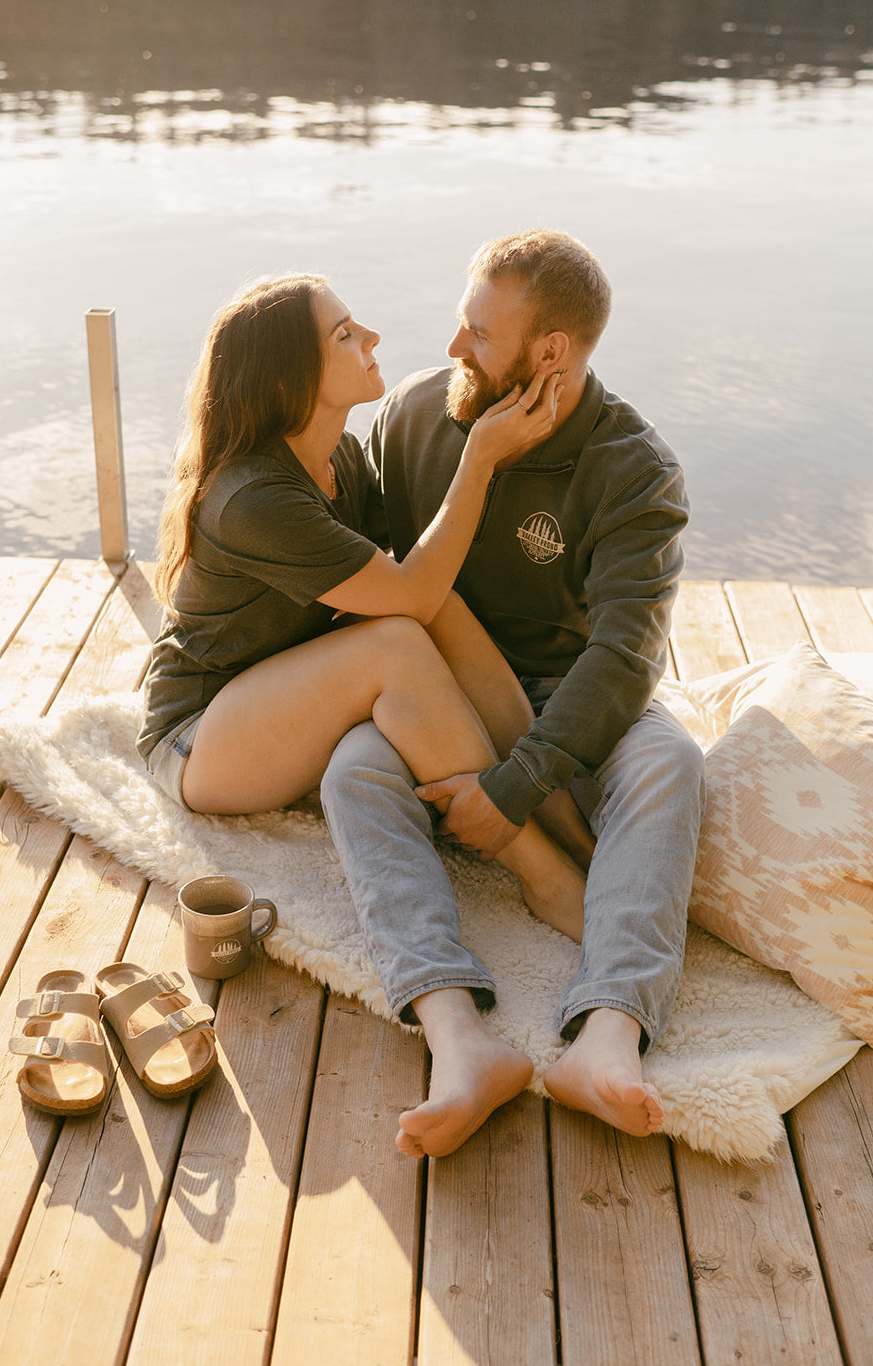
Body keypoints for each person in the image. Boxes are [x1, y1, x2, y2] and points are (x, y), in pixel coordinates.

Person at [319, 230, 707, 1159]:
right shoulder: (415, 414)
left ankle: (607, 1035)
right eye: (461, 324)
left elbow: (622, 661)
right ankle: (459, 1037)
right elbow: (367, 581)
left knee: (671, 764)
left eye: (479, 335)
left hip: (571, 694)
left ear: (550, 354)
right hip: (435, 688)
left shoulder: (633, 470)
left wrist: (515, 787)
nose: (454, 348)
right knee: (351, 775)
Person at [136, 272, 589, 963]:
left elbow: (422, 582)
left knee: (441, 613)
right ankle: (541, 871)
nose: (372, 337)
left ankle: (567, 823)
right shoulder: (254, 498)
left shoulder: (335, 458)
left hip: (278, 690)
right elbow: (405, 595)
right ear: (291, 375)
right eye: (344, 334)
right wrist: (480, 461)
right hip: (198, 741)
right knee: (398, 644)